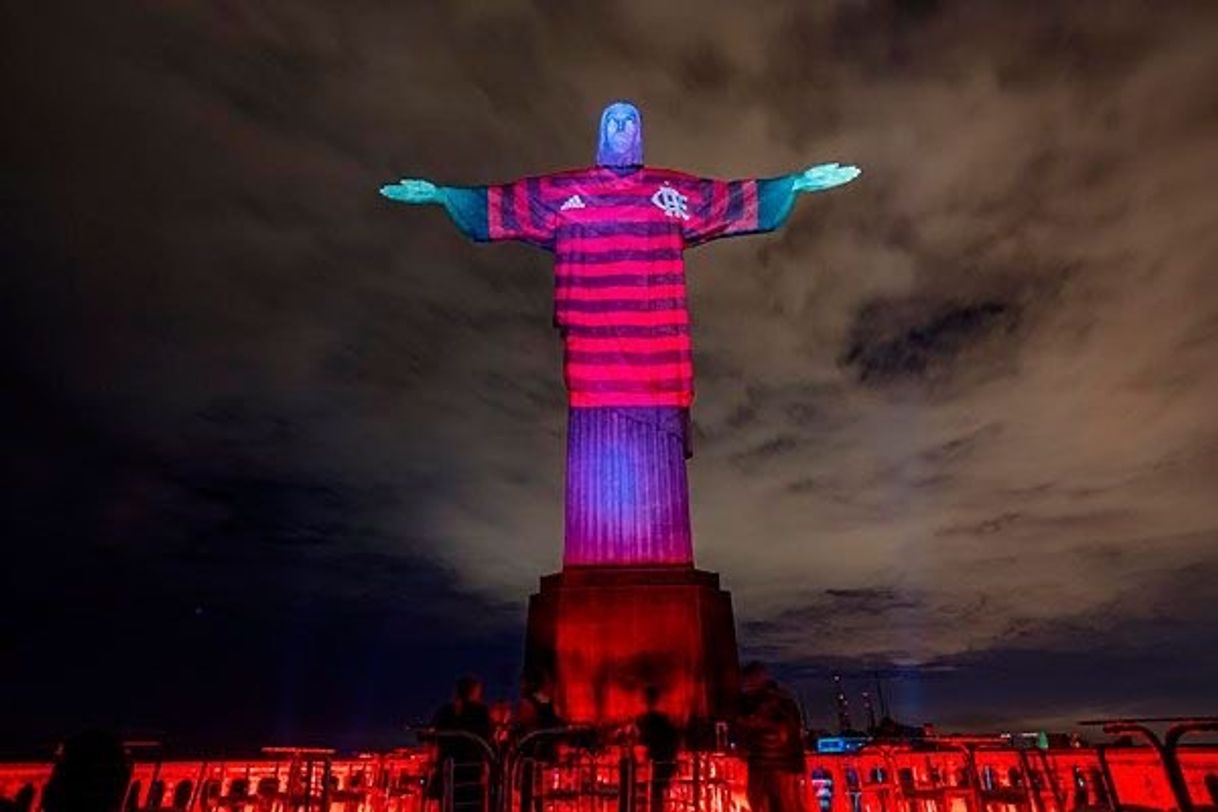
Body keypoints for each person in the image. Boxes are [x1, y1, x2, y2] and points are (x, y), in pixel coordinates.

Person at [380, 103, 861, 571]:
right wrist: (444, 195)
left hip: (655, 355)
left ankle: (657, 558)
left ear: (640, 133)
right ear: (601, 133)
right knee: (597, 477)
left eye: (631, 120)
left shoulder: (665, 190)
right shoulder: (569, 190)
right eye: (614, 119)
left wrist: (793, 183)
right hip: (593, 359)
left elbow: (725, 200)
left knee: (656, 480)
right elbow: (506, 203)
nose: (623, 126)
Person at [736, 662, 807, 812]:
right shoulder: (774, 701)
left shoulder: (775, 703)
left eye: (748, 681)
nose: (745, 685)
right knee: (764, 801)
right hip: (765, 763)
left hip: (776, 764)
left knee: (778, 803)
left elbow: (786, 731)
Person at [429, 676, 494, 812]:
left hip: (448, 768)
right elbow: (488, 737)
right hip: (471, 768)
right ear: (475, 692)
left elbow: (434, 736)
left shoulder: (445, 711)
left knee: (449, 803)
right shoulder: (480, 712)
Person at [515, 672, 564, 812]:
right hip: (540, 756)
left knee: (537, 793)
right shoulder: (537, 703)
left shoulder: (541, 703)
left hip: (540, 756)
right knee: (536, 793)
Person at [635, 686, 680, 812]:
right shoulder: (662, 722)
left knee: (653, 794)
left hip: (657, 766)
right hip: (659, 766)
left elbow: (644, 740)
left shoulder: (652, 722)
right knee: (654, 794)